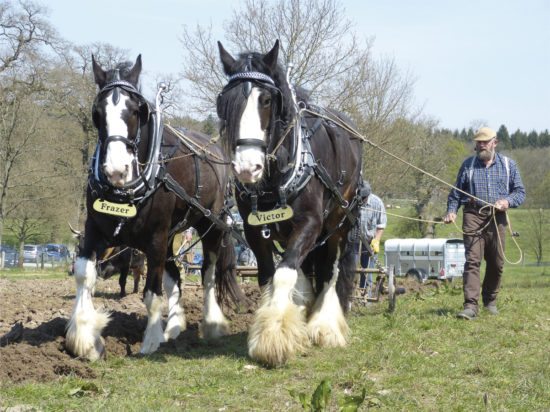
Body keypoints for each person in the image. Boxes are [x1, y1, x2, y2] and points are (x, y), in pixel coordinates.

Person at [444, 126, 525, 320]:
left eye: (485, 141)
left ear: (494, 142)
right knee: (472, 261)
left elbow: (520, 192)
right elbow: (456, 194)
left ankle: (489, 300)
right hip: (473, 215)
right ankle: (470, 306)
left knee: (497, 263)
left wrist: (507, 201)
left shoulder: (508, 165)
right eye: (478, 142)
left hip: (497, 218)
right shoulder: (468, 165)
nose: (481, 145)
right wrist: (451, 211)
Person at [350, 180, 387, 296]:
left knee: (367, 272)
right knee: (351, 269)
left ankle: (366, 297)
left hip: (369, 242)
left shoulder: (377, 203)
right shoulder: (353, 201)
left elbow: (381, 225)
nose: (361, 200)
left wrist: (376, 240)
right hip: (353, 241)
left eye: (364, 198)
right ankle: (350, 295)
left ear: (368, 194)